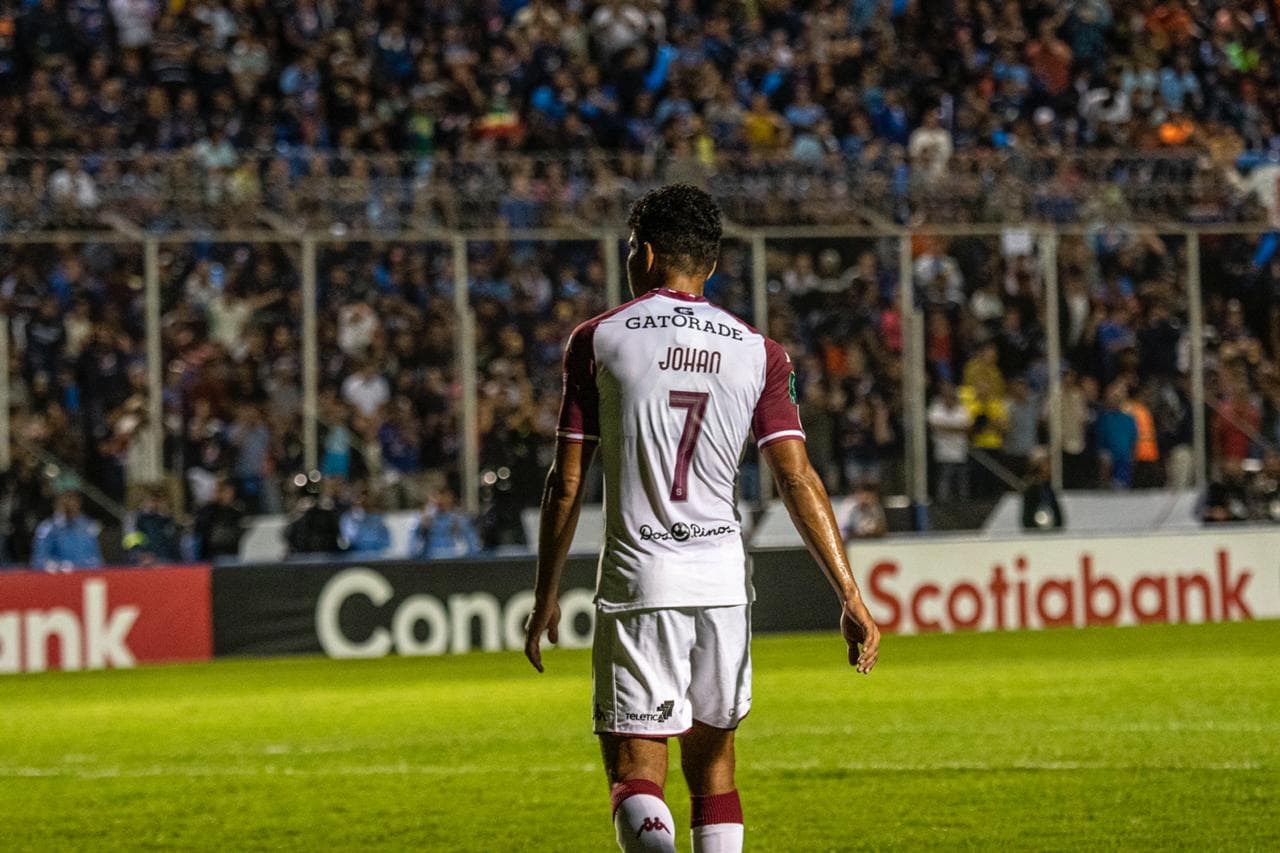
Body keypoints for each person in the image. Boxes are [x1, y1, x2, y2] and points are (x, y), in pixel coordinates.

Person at [522, 184, 880, 853]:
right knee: (714, 767)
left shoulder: (597, 339)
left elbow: (566, 483)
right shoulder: (759, 351)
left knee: (637, 771)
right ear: (710, 265)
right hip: (722, 582)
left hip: (641, 581)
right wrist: (849, 591)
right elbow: (796, 475)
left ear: (645, 254)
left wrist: (545, 593)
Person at [31, 490, 103, 571]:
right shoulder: (48, 528)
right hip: (58, 578)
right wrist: (59, 566)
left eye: (73, 499)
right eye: (66, 499)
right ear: (58, 503)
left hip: (83, 576)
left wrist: (78, 566)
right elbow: (39, 561)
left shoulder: (88, 527)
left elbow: (96, 559)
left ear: (79, 503)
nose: (69, 504)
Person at [409, 487, 482, 559]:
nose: (441, 502)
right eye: (437, 500)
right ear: (431, 501)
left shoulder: (460, 520)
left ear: (450, 500)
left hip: (454, 563)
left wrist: (459, 534)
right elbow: (412, 550)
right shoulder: (422, 521)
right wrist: (421, 529)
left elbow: (474, 548)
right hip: (430, 562)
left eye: (444, 500)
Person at [193, 477, 246, 560]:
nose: (229, 495)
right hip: (213, 552)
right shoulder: (209, 510)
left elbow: (239, 531)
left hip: (232, 550)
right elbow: (200, 529)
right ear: (219, 493)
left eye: (231, 492)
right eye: (226, 492)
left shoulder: (235, 511)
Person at [339, 483, 392, 556]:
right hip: (355, 559)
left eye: (365, 495)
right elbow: (349, 540)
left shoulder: (378, 518)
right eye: (358, 496)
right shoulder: (347, 518)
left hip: (376, 558)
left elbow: (386, 541)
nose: (362, 499)